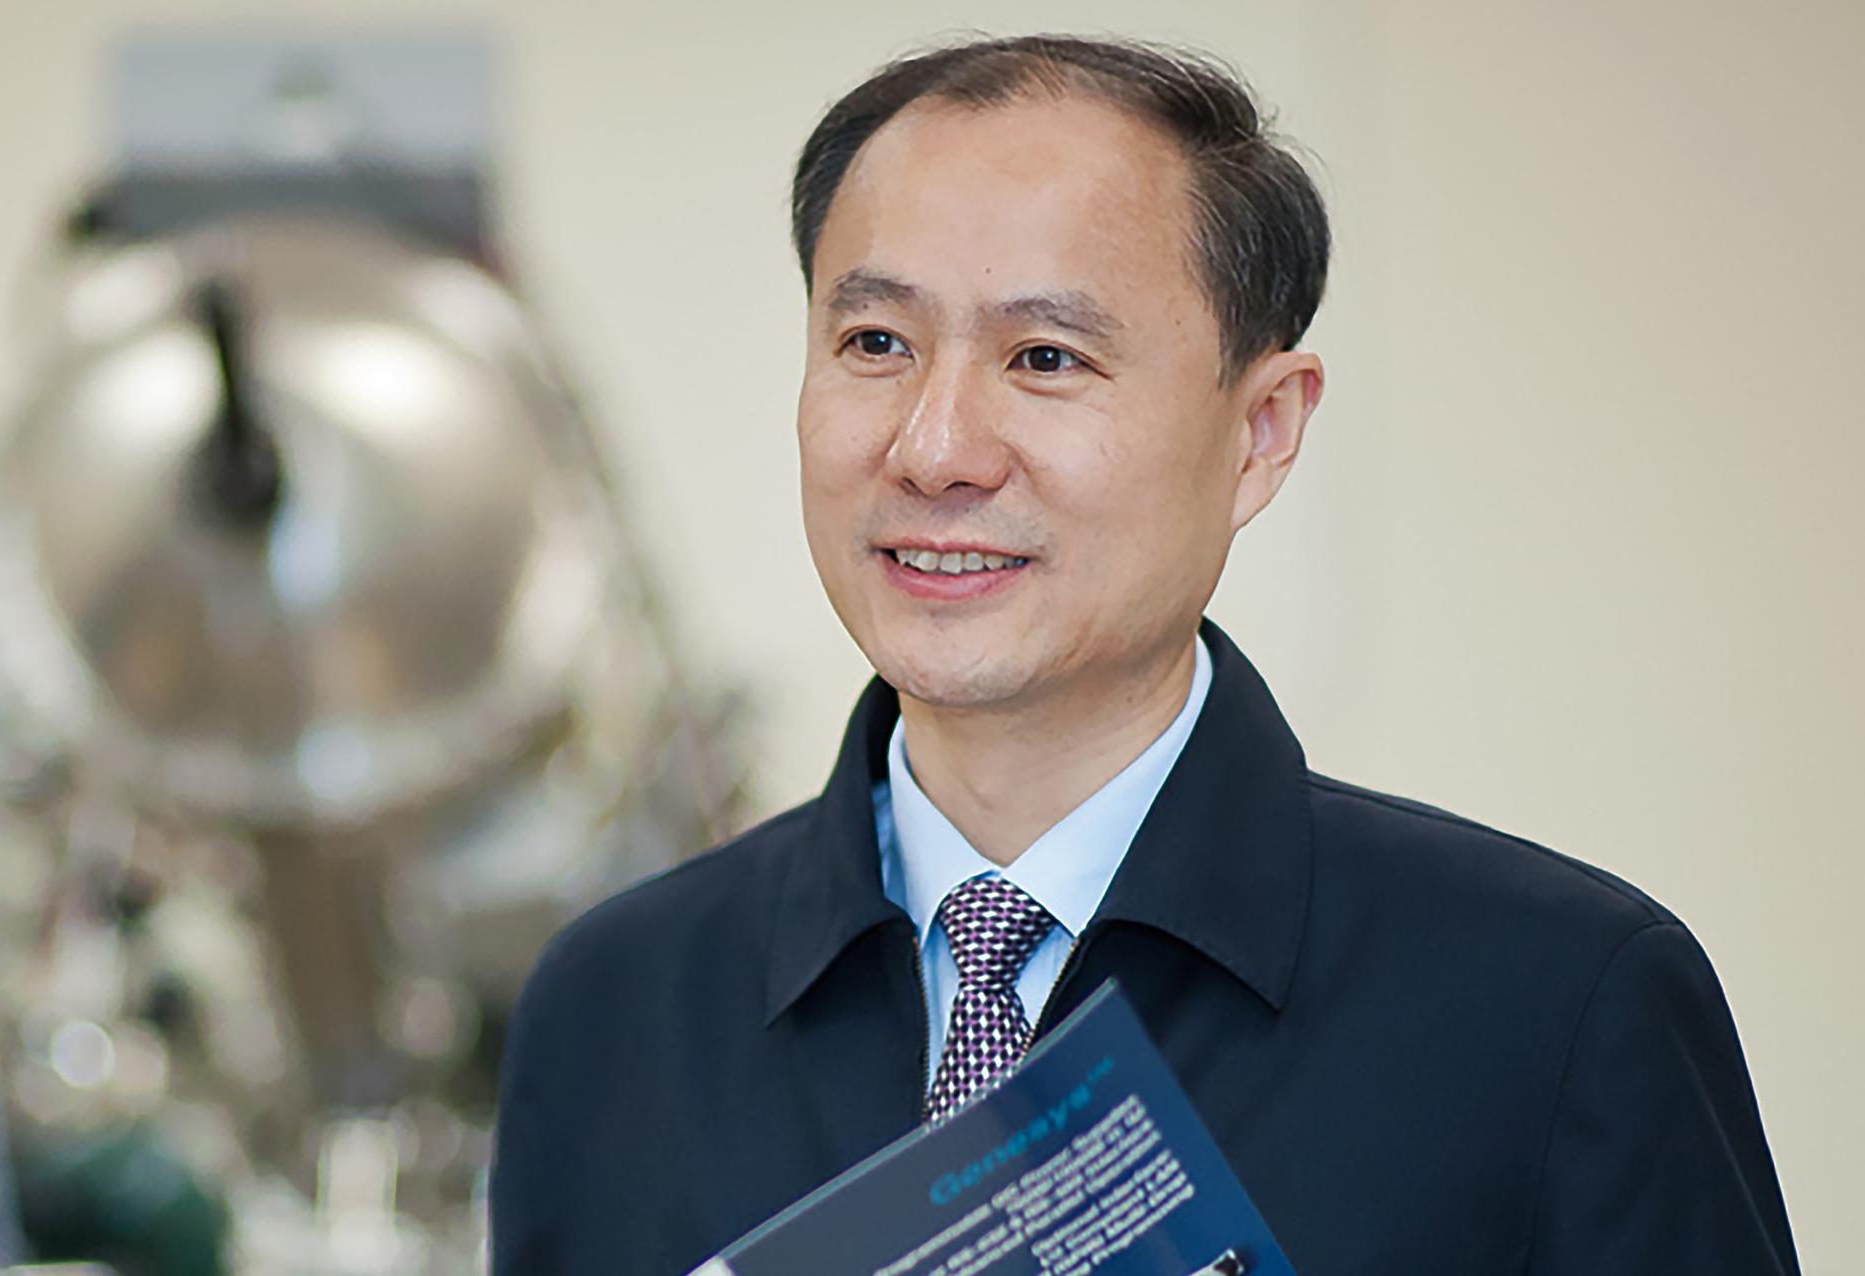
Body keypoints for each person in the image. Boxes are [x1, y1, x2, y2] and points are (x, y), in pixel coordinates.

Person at [489, 34, 1798, 1276]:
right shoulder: (615, 1009)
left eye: (1045, 356)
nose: (935, 449)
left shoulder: (1553, 1006)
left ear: (1262, 431)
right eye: (876, 344)